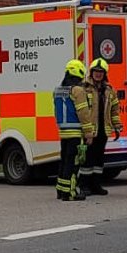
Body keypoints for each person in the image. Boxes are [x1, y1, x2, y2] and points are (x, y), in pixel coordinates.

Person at [78, 58, 121, 195]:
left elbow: (114, 110)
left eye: (101, 72)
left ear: (105, 74)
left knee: (99, 159)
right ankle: (84, 186)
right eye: (96, 71)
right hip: (89, 130)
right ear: (91, 72)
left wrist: (117, 125)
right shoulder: (83, 88)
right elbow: (81, 111)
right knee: (87, 160)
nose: (98, 74)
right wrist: (85, 130)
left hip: (103, 130)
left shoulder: (109, 90)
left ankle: (96, 185)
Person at [53, 59, 89, 201]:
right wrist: (89, 132)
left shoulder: (57, 91)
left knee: (64, 162)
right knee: (73, 163)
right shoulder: (78, 90)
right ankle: (70, 193)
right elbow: (83, 113)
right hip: (76, 133)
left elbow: (56, 111)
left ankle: (61, 190)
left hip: (64, 133)